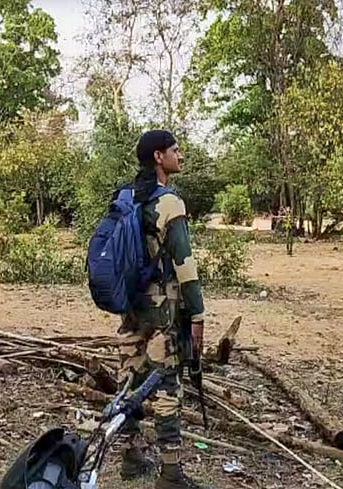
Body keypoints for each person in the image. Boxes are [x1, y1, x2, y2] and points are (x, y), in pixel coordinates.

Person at [117, 130, 208, 489]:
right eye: (175, 149)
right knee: (167, 385)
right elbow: (185, 264)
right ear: (159, 157)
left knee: (130, 377)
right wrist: (198, 314)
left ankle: (130, 456)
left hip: (129, 304)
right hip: (162, 309)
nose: (180, 155)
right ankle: (170, 474)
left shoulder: (125, 196)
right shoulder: (169, 202)